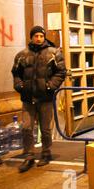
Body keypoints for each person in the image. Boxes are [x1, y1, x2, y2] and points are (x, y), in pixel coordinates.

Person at [11, 26, 66, 173]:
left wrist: (50, 86)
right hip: (28, 98)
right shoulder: (22, 55)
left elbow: (61, 72)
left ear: (44, 37)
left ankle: (46, 153)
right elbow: (16, 73)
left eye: (41, 36)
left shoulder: (53, 53)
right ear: (31, 37)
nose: (39, 38)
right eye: (36, 36)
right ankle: (29, 155)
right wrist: (19, 85)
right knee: (26, 128)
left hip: (45, 97)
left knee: (46, 129)